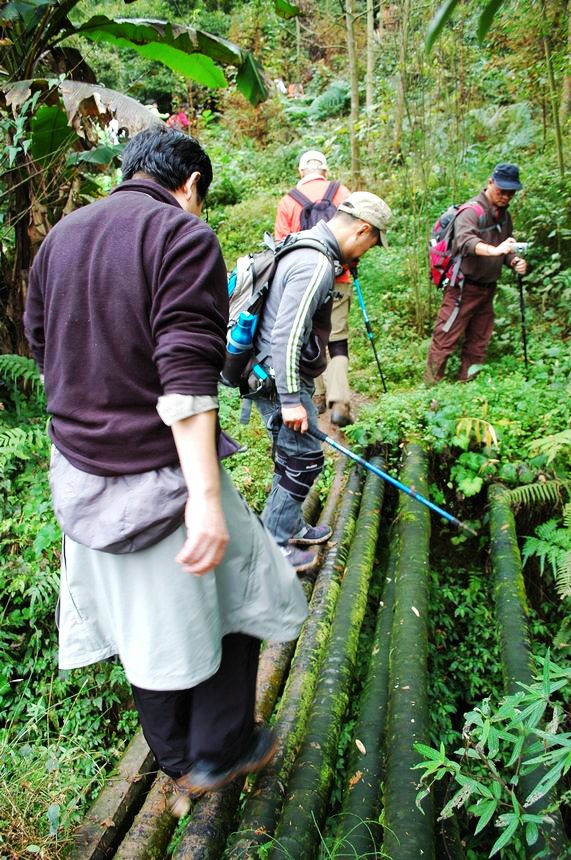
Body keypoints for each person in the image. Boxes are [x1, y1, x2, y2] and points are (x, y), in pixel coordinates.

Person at [23, 126, 307, 814]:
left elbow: (38, 344)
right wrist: (206, 498)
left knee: (135, 620)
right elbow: (186, 376)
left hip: (79, 476)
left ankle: (177, 755)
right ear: (189, 187)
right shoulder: (180, 234)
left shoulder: (61, 237)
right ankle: (216, 749)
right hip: (162, 472)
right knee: (244, 593)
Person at [256, 191, 392, 572]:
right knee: (304, 459)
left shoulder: (306, 245)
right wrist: (290, 400)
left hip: (271, 372)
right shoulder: (315, 264)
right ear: (363, 230)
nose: (367, 251)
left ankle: (290, 523)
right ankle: (274, 548)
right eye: (372, 242)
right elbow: (286, 335)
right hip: (278, 377)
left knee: (292, 454)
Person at [425, 163, 528, 383]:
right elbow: (466, 242)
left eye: (511, 193)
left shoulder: (503, 216)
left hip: (487, 289)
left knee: (479, 341)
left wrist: (514, 259)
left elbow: (505, 247)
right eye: (502, 191)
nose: (507, 196)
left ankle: (467, 385)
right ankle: (430, 389)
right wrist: (496, 250)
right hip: (463, 288)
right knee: (445, 337)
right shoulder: (472, 211)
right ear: (490, 182)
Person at [274, 149, 356, 427]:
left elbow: (281, 244)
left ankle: (318, 395)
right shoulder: (341, 192)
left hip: (302, 277)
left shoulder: (289, 201)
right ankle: (340, 400)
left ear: (300, 172)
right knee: (338, 338)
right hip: (340, 277)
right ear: (325, 170)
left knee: (310, 334)